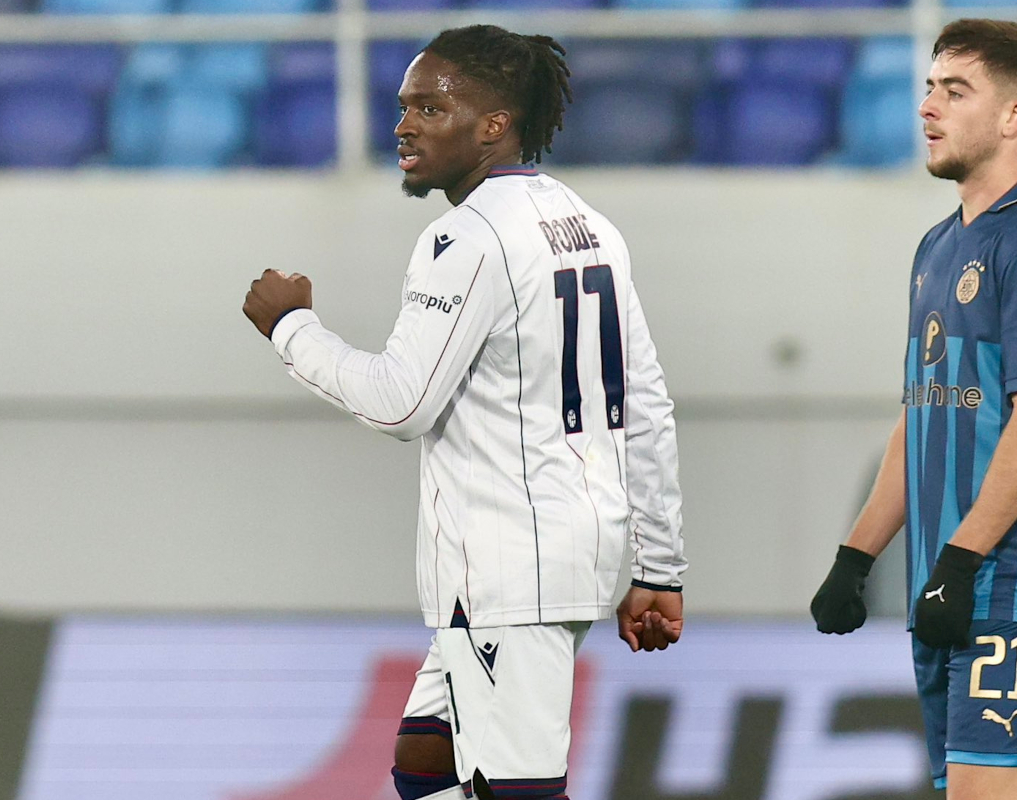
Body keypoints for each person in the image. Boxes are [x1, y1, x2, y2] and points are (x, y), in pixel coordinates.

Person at [242, 25, 686, 800]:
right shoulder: (586, 224)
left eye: (429, 107)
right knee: (426, 764)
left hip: (509, 568)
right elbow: (643, 405)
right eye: (404, 105)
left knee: (519, 791)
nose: (404, 125)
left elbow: (400, 402)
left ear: (493, 125)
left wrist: (292, 329)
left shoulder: (469, 235)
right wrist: (657, 565)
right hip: (560, 551)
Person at [810, 19, 1017, 800]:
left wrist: (961, 561)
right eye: (929, 87)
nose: (928, 107)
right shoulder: (939, 247)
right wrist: (857, 556)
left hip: (1016, 579)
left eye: (955, 90)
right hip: (951, 580)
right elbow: (923, 412)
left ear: (1014, 116)